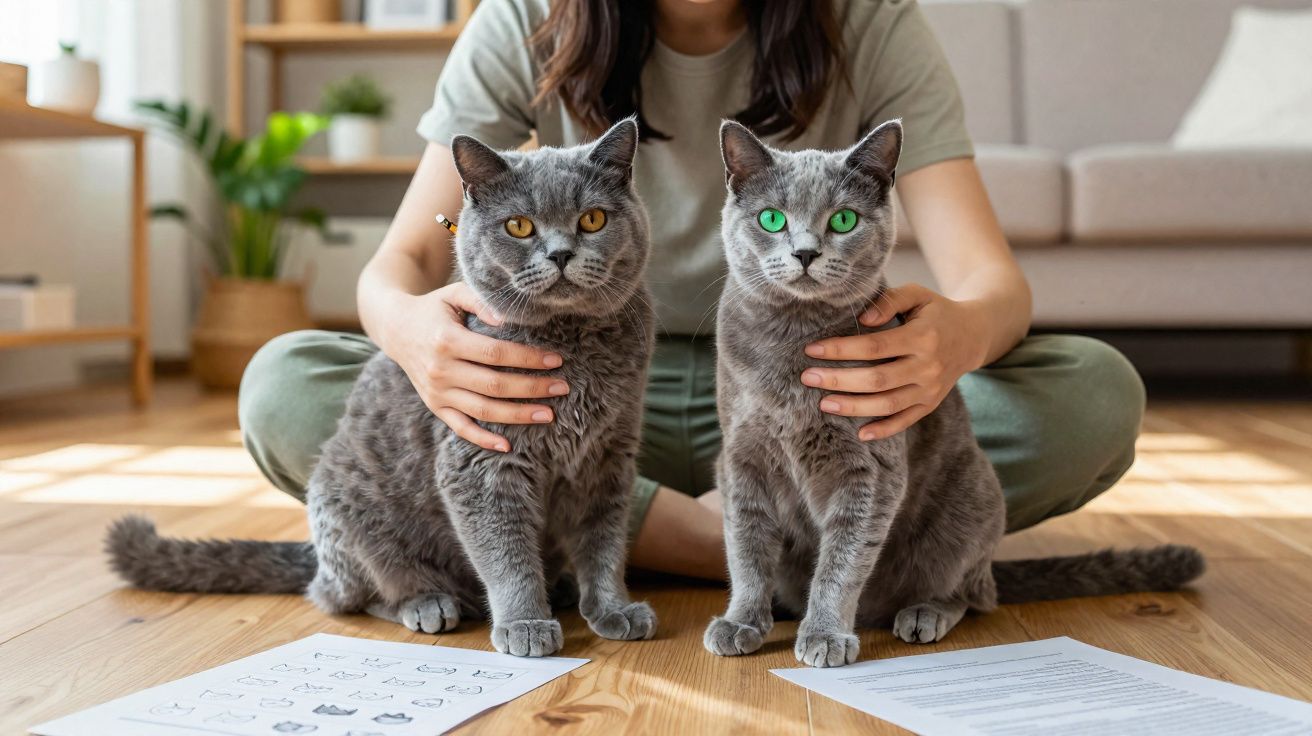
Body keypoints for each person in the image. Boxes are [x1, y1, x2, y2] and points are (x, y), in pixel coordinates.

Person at [239, 0, 1145, 581]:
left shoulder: (869, 21)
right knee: (286, 383)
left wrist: (958, 337)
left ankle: (586, 546)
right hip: (552, 395)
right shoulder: (527, 16)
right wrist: (411, 333)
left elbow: (991, 282)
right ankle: (723, 548)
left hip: (800, 390)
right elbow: (400, 263)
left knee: (1091, 391)